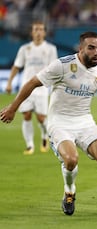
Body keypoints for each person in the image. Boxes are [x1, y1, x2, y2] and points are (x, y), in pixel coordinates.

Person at [0, 31, 97, 216]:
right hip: (59, 123)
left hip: (85, 122)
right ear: (81, 49)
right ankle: (69, 191)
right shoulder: (62, 66)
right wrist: (13, 108)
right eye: (91, 48)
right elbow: (32, 83)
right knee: (71, 160)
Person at [5, 21, 58, 155]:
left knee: (41, 118)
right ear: (31, 32)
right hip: (26, 87)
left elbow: (54, 69)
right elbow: (17, 66)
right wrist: (9, 82)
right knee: (26, 115)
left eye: (41, 29)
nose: (38, 32)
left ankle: (44, 136)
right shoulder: (25, 49)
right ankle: (29, 146)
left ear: (44, 32)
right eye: (36, 29)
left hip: (42, 87)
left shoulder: (51, 49)